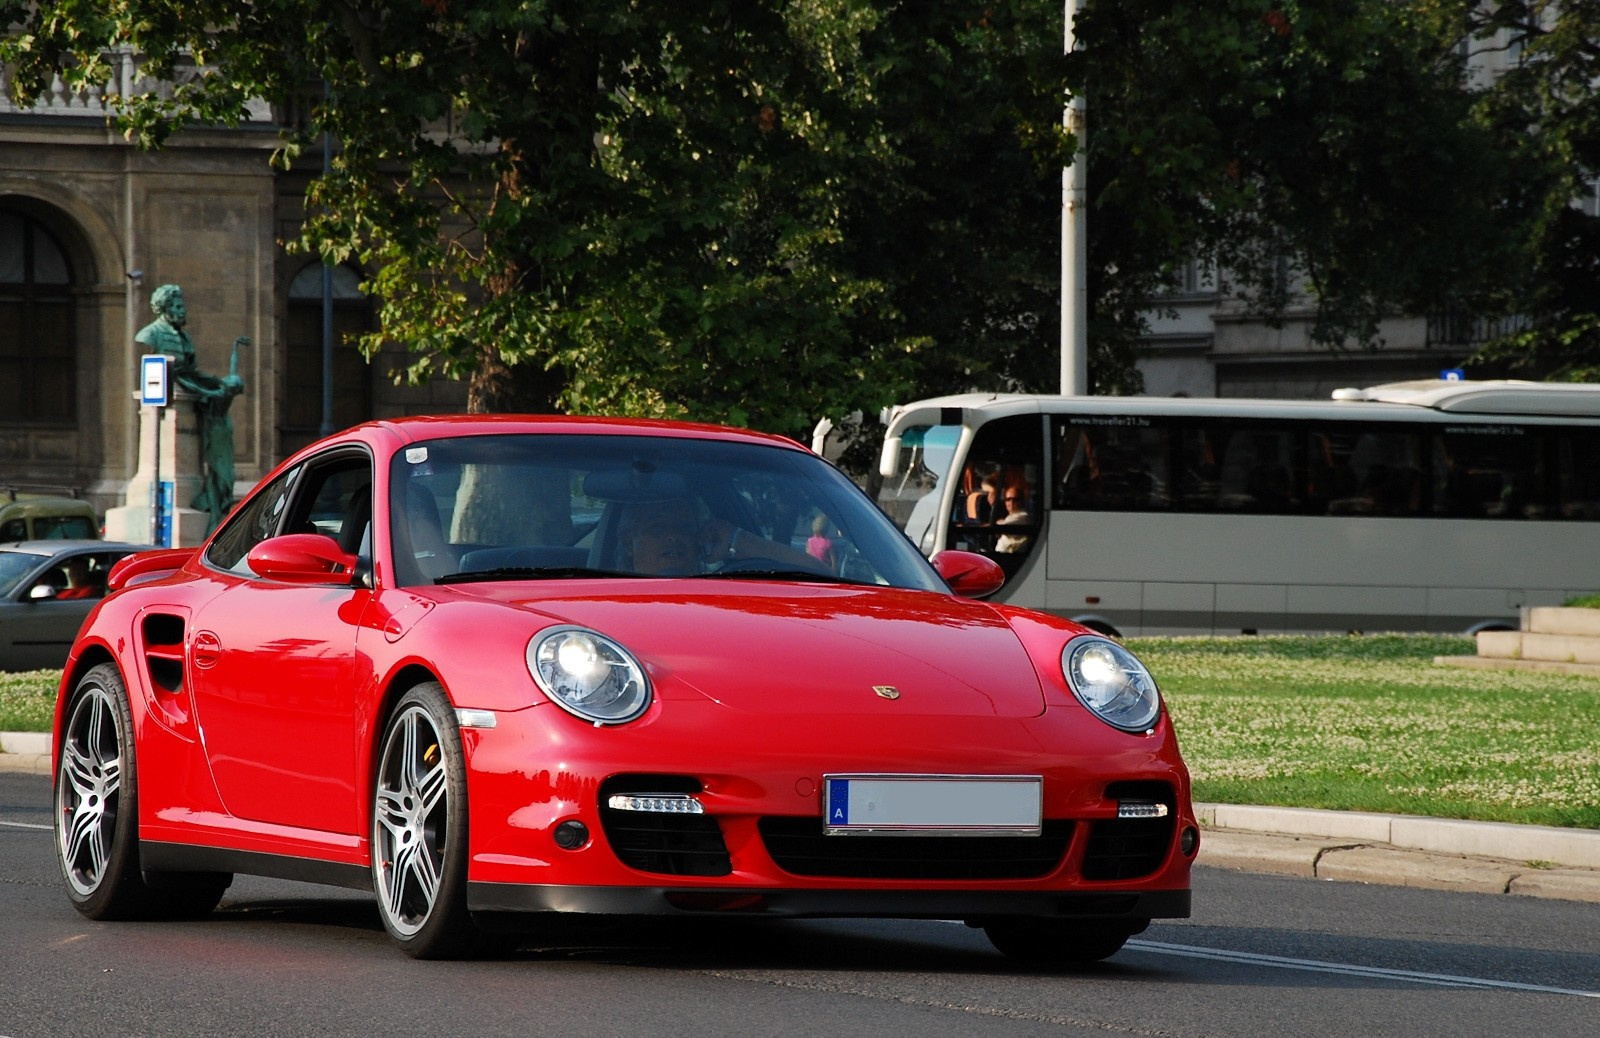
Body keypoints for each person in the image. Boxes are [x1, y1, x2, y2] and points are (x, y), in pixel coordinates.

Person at [135, 284, 249, 532]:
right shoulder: (151, 334)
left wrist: (217, 383)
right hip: (170, 392)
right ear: (164, 309)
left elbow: (191, 371)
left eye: (182, 305)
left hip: (188, 392)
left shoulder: (184, 337)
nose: (182, 309)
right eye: (177, 306)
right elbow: (179, 372)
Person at [620, 498, 821, 577]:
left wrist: (737, 540)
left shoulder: (730, 592)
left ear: (699, 540)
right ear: (630, 542)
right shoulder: (605, 604)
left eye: (684, 527)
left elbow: (820, 575)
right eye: (658, 528)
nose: (673, 536)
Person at [994, 483, 1033, 554]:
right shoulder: (1011, 516)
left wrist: (998, 523)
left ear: (1022, 501)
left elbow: (1002, 527)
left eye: (1015, 499)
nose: (1011, 502)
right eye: (1008, 499)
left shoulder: (1024, 517)